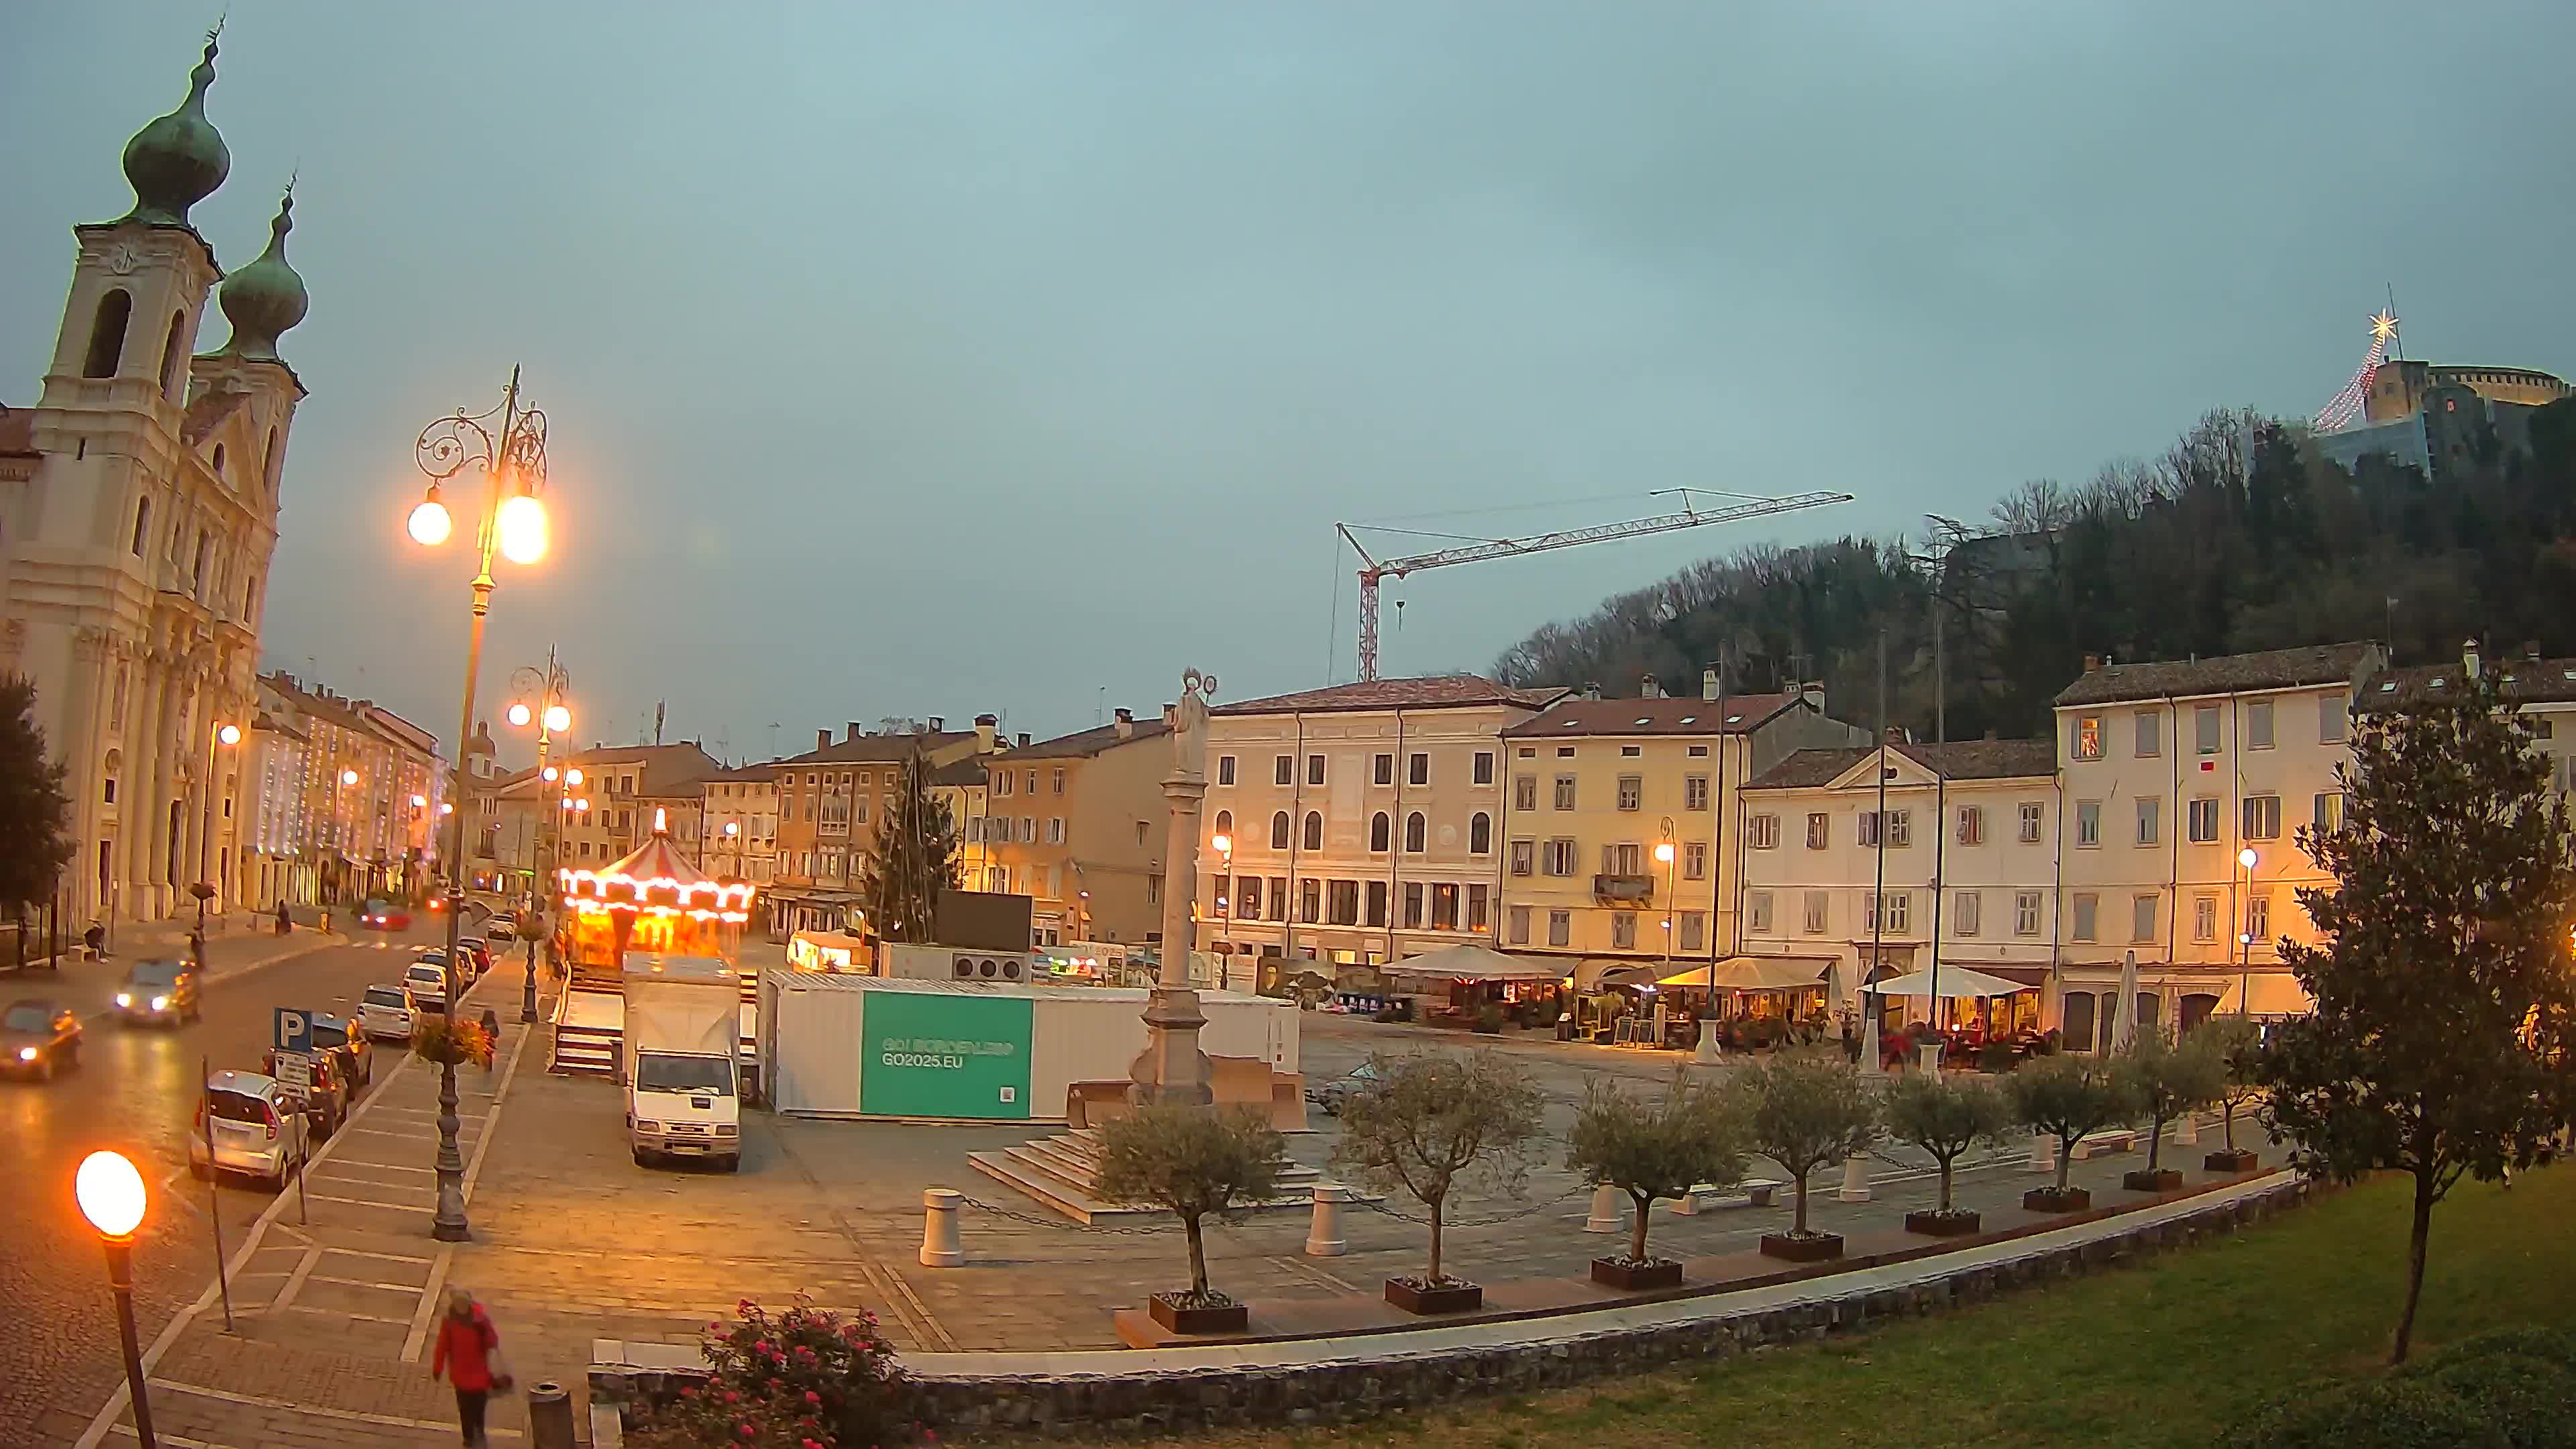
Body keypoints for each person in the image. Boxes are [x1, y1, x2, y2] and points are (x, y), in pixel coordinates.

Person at [431, 1286, 508, 1447]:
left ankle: (470, 1437)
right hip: (477, 1377)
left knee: (466, 1410)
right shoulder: (478, 1320)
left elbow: (442, 1347)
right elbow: (493, 1342)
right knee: (477, 1409)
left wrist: (437, 1369)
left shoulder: (452, 1322)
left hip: (465, 1378)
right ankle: (477, 1432)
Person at [479, 1006, 502, 1074]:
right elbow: (497, 1032)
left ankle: (486, 1064)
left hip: (484, 1040)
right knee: (489, 1052)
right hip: (491, 1040)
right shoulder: (494, 1024)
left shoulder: (482, 1023)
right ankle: (489, 1065)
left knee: (485, 1052)